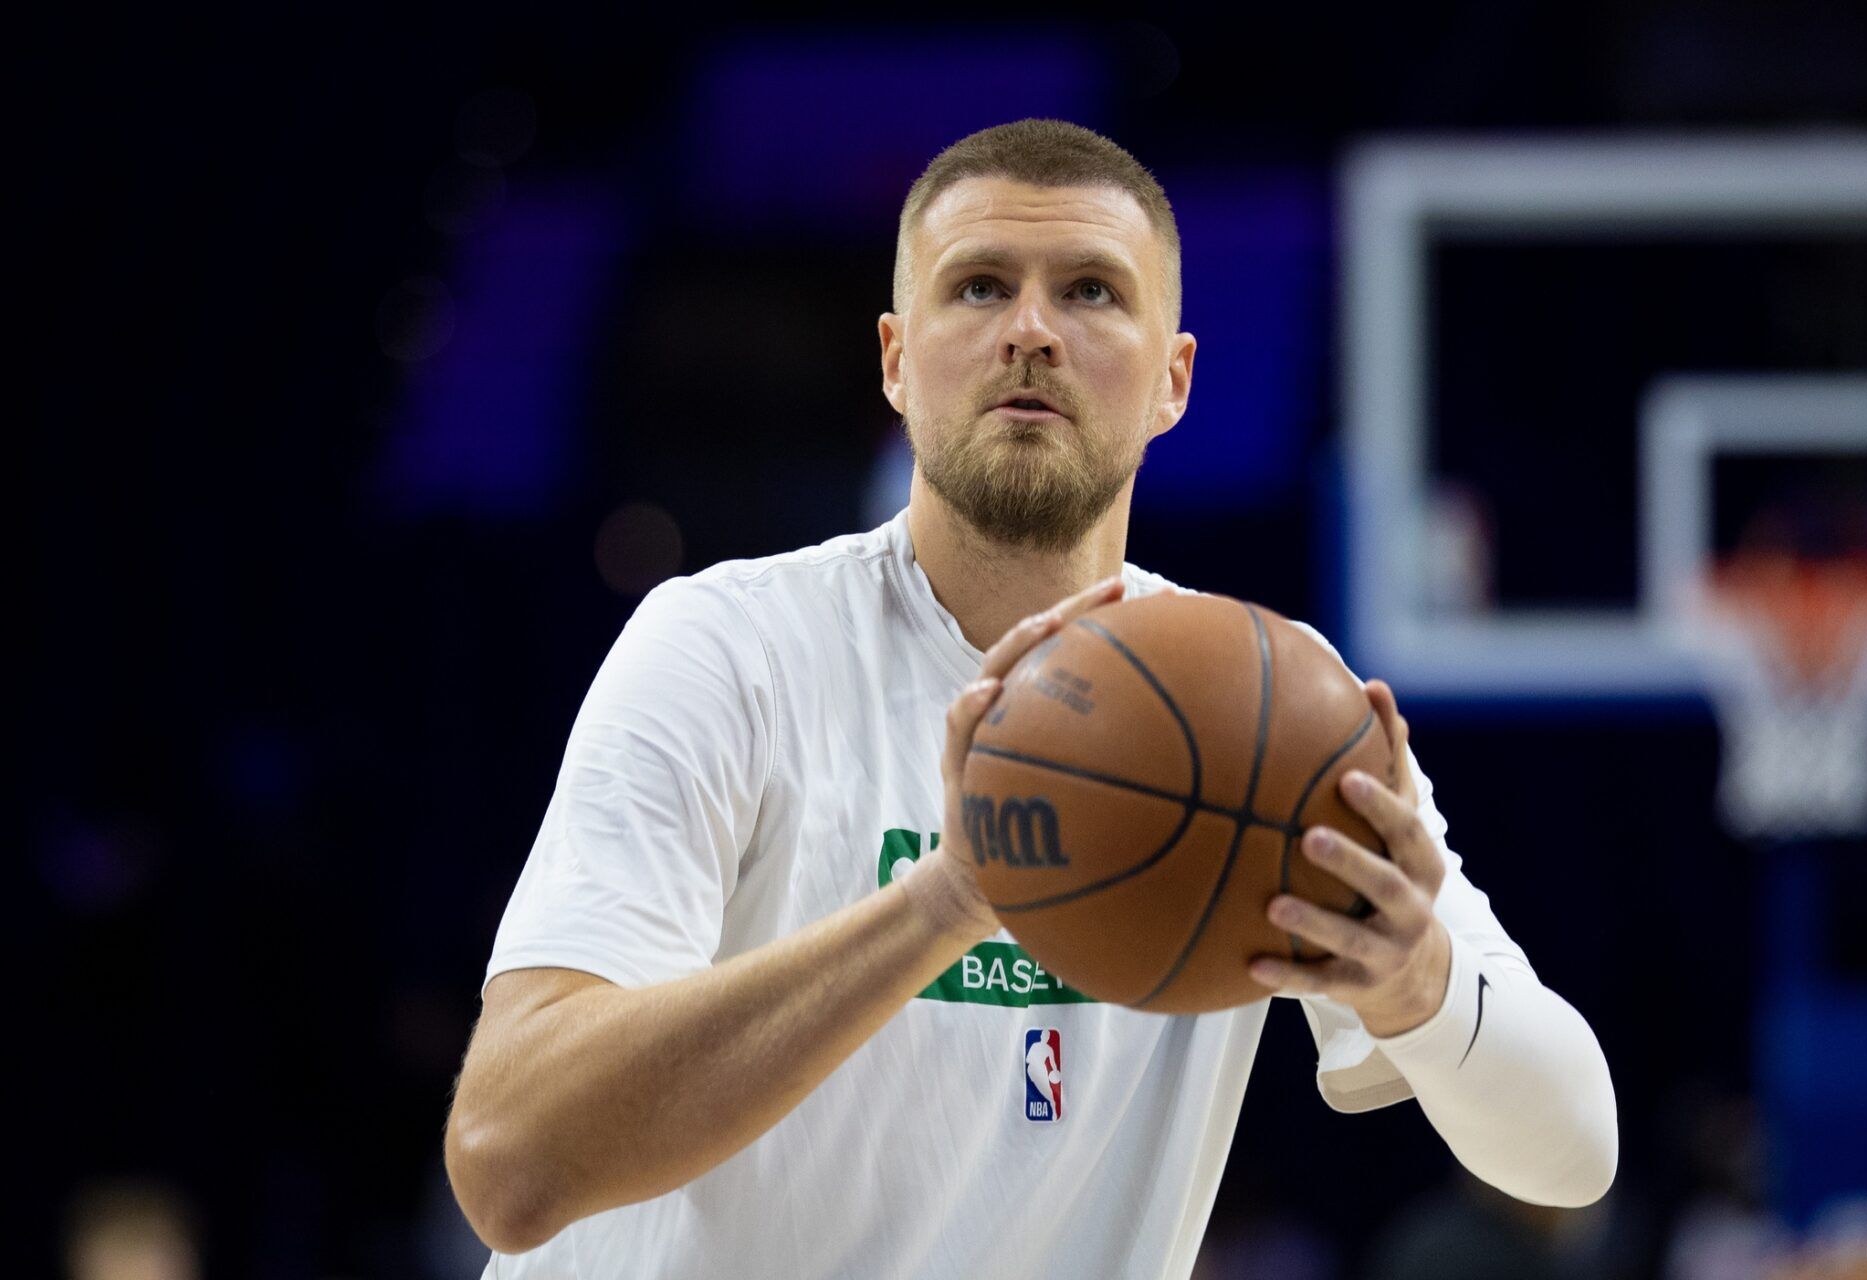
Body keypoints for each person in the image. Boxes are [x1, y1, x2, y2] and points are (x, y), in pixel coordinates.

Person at [444, 118, 1618, 1279]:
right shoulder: (729, 648)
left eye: (1094, 291)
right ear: (896, 362)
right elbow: (510, 1162)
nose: (1033, 331)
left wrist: (1420, 990)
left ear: (1175, 378)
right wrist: (943, 901)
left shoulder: (1276, 712)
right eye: (980, 286)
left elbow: (1574, 1151)